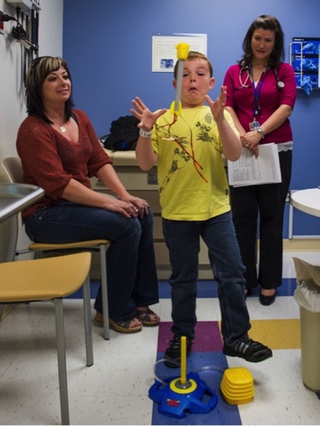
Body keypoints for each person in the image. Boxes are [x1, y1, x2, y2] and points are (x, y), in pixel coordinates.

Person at [130, 51, 272, 367]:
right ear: (174, 82)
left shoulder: (219, 115)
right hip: (178, 214)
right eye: (185, 74)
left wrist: (222, 118)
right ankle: (182, 338)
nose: (192, 79)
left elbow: (234, 155)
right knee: (182, 280)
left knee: (233, 274)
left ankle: (237, 338)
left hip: (216, 211)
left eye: (199, 74)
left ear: (210, 82)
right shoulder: (163, 118)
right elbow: (144, 162)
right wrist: (145, 130)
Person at [16, 56, 160, 333]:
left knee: (140, 213)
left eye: (65, 76)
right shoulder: (33, 130)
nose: (63, 82)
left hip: (76, 207)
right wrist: (109, 202)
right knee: (126, 225)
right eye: (52, 78)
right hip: (46, 215)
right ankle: (113, 310)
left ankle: (141, 303)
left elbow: (98, 161)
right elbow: (58, 184)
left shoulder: (79, 118)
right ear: (37, 87)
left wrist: (124, 196)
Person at [223, 15, 297, 305]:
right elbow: (227, 106)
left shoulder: (285, 71)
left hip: (276, 151)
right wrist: (243, 136)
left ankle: (269, 282)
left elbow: (286, 106)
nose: (262, 44)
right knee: (241, 219)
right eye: (258, 38)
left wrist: (259, 133)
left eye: (268, 40)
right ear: (249, 39)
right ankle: (244, 279)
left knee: (271, 217)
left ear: (275, 42)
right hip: (240, 150)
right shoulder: (234, 71)